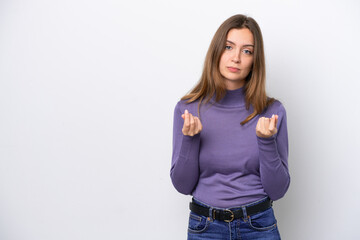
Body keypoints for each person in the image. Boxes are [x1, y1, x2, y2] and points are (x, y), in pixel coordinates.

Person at [170, 14, 290, 240]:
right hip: (205, 228)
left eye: (247, 51)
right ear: (216, 51)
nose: (236, 58)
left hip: (258, 227)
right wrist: (190, 139)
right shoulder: (187, 109)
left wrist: (266, 142)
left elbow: (278, 190)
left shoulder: (272, 111)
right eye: (228, 47)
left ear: (255, 60)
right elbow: (183, 185)